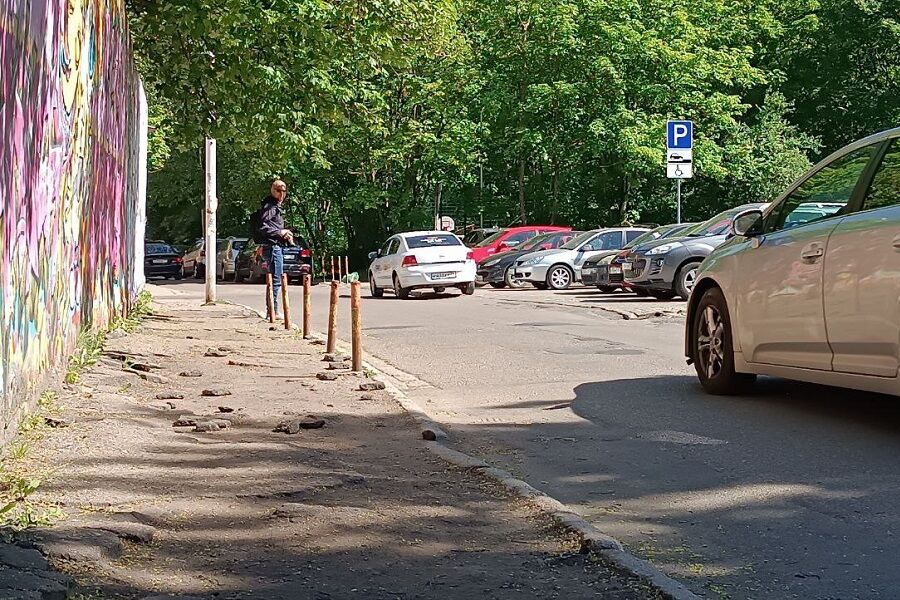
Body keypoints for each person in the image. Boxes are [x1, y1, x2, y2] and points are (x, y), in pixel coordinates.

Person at [259, 179, 294, 318]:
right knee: (276, 279)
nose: (282, 194)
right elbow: (264, 227)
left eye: (284, 191)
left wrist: (286, 233)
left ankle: (272, 310)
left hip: (276, 246)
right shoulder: (270, 207)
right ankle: (272, 311)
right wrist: (280, 232)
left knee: (275, 279)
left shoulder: (275, 206)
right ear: (273, 190)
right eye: (279, 190)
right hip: (273, 247)